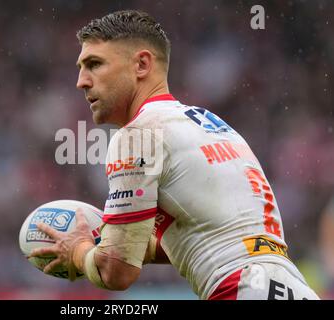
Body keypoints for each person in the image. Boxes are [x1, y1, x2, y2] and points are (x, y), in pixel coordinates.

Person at [29, 10, 319, 300]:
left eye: (95, 64)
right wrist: (122, 242)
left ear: (142, 64)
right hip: (293, 289)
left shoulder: (139, 133)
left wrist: (79, 250)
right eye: (81, 67)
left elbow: (115, 272)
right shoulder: (213, 126)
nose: (81, 81)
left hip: (240, 290)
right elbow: (210, 233)